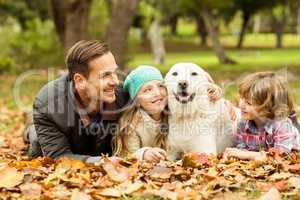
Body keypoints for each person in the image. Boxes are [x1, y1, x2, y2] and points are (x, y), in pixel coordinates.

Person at [25, 40, 129, 163]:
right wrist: (101, 162)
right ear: (80, 80)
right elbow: (59, 156)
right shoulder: (48, 106)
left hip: (90, 145)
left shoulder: (124, 94)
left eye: (115, 72)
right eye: (105, 75)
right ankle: (30, 127)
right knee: (36, 139)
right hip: (54, 127)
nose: (115, 81)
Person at [112, 65, 225, 162]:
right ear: (136, 101)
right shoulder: (132, 124)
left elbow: (195, 100)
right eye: (147, 90)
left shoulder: (172, 111)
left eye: (160, 86)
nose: (157, 93)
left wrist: (216, 94)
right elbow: (126, 156)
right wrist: (144, 154)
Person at [223, 71, 300, 161]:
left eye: (248, 103)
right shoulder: (243, 124)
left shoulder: (282, 126)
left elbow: (282, 156)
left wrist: (248, 155)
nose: (241, 105)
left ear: (267, 107)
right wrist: (235, 155)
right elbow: (242, 149)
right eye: (241, 99)